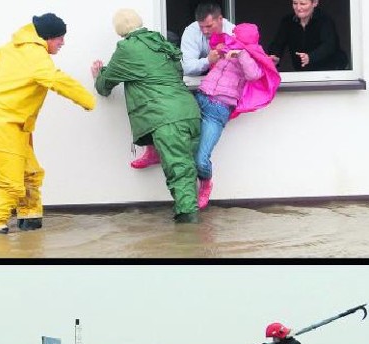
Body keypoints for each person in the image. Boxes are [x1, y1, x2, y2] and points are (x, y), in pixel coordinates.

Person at [0, 13, 96, 234]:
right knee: (10, 184)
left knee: (31, 173)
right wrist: (87, 100)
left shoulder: (13, 48)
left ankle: (29, 216)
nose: (63, 43)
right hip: (0, 124)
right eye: (60, 38)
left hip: (14, 124)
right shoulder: (36, 56)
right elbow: (57, 80)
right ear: (48, 37)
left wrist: (3, 77)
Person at [92, 9, 202, 223]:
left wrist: (98, 75)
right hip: (189, 112)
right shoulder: (160, 42)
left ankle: (189, 232)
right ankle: (192, 223)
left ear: (120, 29)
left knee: (179, 171)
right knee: (187, 171)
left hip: (167, 119)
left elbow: (105, 86)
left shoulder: (128, 49)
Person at [131, 3, 235, 170]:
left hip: (220, 100)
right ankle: (154, 150)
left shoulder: (234, 32)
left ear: (220, 19)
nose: (205, 31)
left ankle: (198, 179)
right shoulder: (192, 31)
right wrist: (208, 61)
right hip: (196, 93)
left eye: (209, 26)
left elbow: (246, 67)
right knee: (165, 114)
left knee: (200, 155)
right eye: (202, 27)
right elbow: (187, 67)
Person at [193, 23, 279, 209]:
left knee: (201, 159)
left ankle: (206, 183)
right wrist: (216, 55)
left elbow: (254, 75)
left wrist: (242, 54)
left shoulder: (251, 55)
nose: (232, 37)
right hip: (200, 97)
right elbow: (213, 66)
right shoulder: (226, 47)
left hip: (218, 109)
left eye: (236, 36)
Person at [267, 0, 348, 72]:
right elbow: (278, 43)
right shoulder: (287, 22)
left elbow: (329, 45)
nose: (298, 8)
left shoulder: (325, 20)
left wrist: (310, 57)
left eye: (303, 4)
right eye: (295, 3)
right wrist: (275, 56)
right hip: (303, 72)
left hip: (330, 70)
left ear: (315, 3)